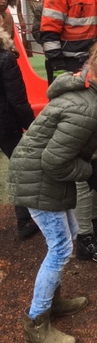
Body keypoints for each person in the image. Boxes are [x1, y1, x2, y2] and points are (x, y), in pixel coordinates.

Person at [8, 40, 97, 343]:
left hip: (43, 174)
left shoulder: (85, 93)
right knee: (62, 248)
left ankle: (52, 301)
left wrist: (92, 170)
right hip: (38, 178)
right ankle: (36, 323)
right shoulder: (88, 108)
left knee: (70, 234)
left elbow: (68, 150)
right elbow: (55, 161)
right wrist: (89, 173)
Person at [0, 28, 38, 239]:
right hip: (5, 124)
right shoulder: (6, 59)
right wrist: (32, 126)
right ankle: (25, 219)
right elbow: (18, 100)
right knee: (21, 166)